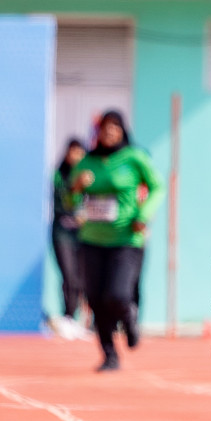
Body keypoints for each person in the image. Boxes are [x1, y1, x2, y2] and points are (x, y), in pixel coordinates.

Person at [71, 110, 163, 371]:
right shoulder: (86, 162)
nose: (109, 133)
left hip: (126, 239)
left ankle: (130, 319)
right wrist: (77, 188)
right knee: (96, 299)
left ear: (122, 131)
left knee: (118, 295)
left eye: (115, 128)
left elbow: (158, 187)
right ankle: (110, 355)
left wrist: (144, 215)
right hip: (92, 240)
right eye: (104, 129)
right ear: (97, 133)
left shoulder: (134, 158)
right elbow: (69, 200)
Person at [51, 139, 88, 336]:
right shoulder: (59, 176)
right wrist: (74, 214)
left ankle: (78, 319)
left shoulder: (88, 177)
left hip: (81, 235)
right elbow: (62, 201)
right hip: (62, 234)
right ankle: (67, 317)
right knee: (69, 275)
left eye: (80, 152)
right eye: (73, 152)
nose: (76, 156)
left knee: (81, 278)